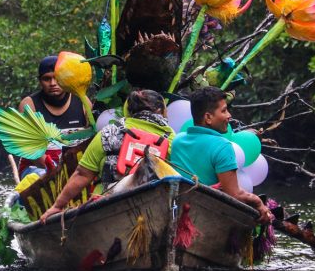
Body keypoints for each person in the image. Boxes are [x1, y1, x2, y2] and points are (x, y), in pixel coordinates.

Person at [38, 89, 174, 223]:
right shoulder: (173, 140)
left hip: (107, 208)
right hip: (154, 209)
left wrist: (57, 206)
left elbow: (82, 174)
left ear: (129, 110)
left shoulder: (109, 133)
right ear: (160, 111)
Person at [168, 87, 272, 224]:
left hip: (179, 212)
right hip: (205, 217)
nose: (229, 115)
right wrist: (258, 203)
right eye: (224, 110)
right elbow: (234, 194)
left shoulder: (178, 140)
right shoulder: (223, 146)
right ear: (208, 117)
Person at [16, 56, 90, 173]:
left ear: (65, 78)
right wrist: (55, 170)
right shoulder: (29, 105)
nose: (52, 83)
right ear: (40, 81)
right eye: (47, 79)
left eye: (57, 78)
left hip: (77, 167)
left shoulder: (82, 101)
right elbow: (30, 150)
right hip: (38, 168)